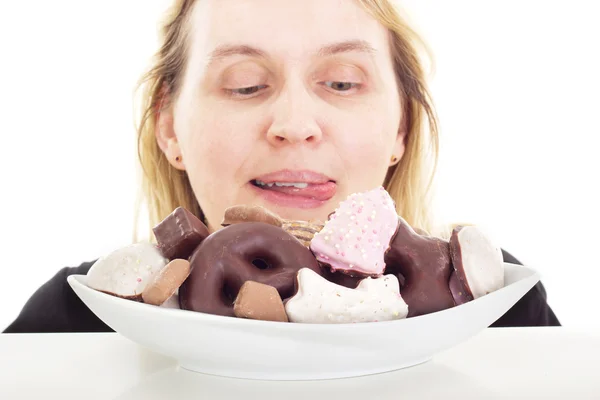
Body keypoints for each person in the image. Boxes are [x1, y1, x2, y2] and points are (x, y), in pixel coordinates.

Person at [3, 0, 559, 333]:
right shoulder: (76, 319)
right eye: (245, 84)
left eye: (342, 82)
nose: (295, 123)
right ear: (170, 127)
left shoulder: (495, 309)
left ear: (401, 130)